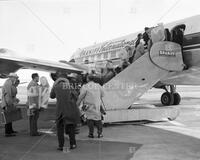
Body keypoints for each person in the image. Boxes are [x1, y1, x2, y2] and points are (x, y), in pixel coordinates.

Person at [50, 73, 80, 151]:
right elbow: (76, 96)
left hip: (59, 110)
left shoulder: (56, 86)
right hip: (69, 109)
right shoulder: (69, 86)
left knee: (60, 129)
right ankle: (73, 144)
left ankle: (61, 146)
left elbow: (51, 96)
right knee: (71, 128)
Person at [76, 74, 105, 138]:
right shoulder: (98, 86)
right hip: (97, 105)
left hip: (88, 106)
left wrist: (77, 104)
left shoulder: (85, 86)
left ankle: (91, 134)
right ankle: (100, 134)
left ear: (87, 79)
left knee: (89, 119)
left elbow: (81, 96)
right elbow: (103, 94)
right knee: (98, 119)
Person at [1, 73, 19, 137]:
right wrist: (10, 104)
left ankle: (10, 130)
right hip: (7, 103)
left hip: (9, 102)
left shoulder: (10, 83)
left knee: (10, 118)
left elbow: (12, 95)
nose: (16, 78)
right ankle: (8, 133)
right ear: (11, 77)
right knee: (8, 119)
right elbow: (8, 95)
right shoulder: (8, 84)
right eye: (15, 77)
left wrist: (15, 99)